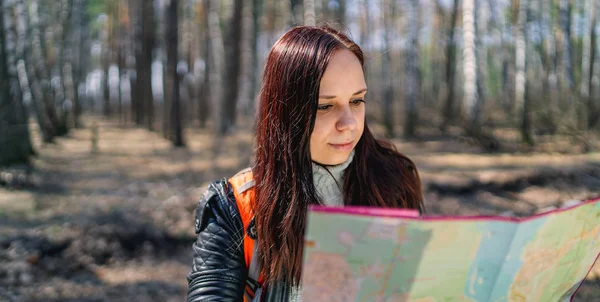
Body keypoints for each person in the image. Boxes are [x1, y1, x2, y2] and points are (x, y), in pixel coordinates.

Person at [186, 25, 424, 302]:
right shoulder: (236, 205)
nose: (348, 123)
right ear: (288, 112)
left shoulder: (394, 181)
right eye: (325, 106)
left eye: (357, 101)